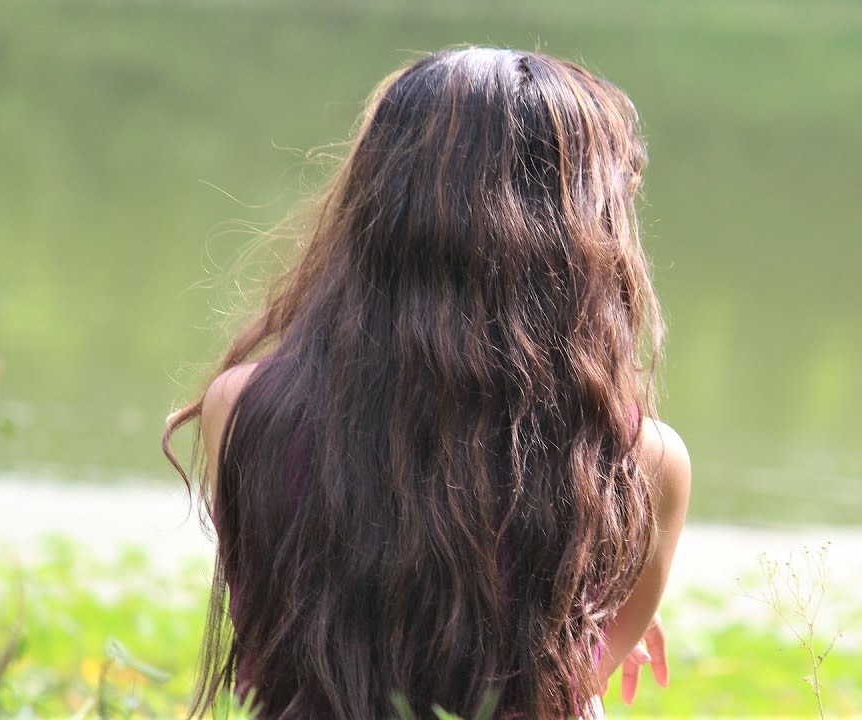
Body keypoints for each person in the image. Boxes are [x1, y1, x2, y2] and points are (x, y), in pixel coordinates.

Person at [162, 47, 691, 720]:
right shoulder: (642, 461)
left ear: (374, 205)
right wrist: (586, 611)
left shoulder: (242, 408)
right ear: (585, 237)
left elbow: (277, 626)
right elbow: (564, 689)